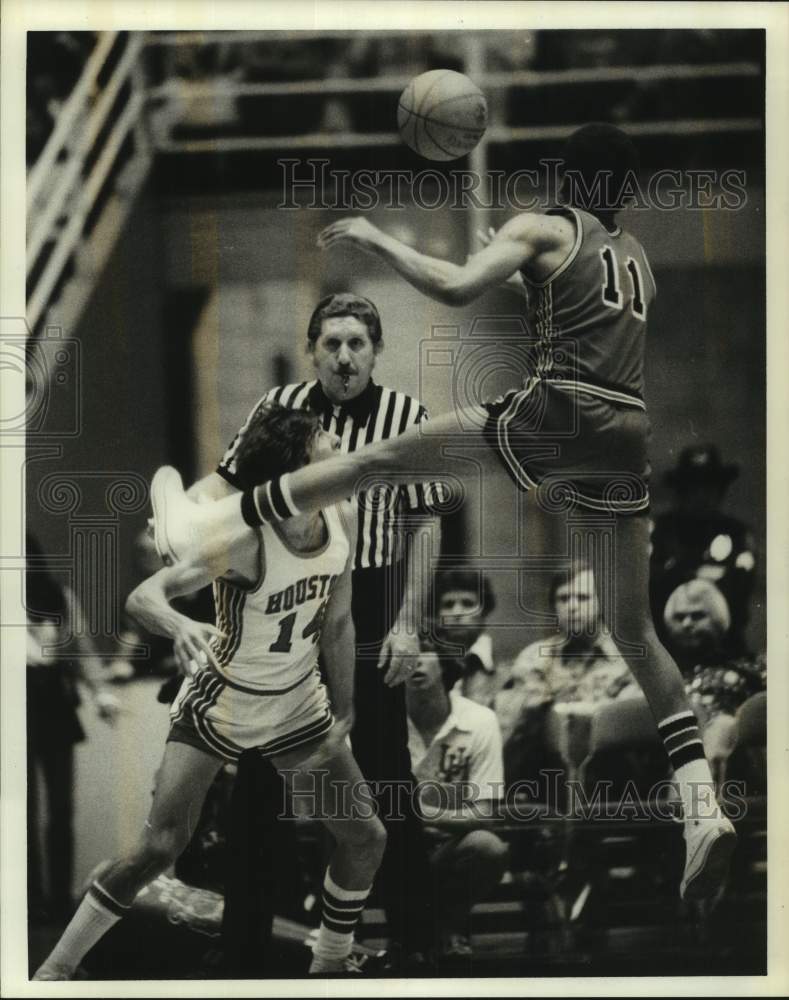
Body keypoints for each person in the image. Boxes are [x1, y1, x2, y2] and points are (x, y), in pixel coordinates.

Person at [149, 123, 736, 901]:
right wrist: (526, 270)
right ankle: (701, 808)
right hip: (625, 432)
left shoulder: (543, 223)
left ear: (564, 175)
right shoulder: (636, 262)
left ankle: (211, 523)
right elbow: (573, 306)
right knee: (634, 629)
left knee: (376, 459)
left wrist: (373, 236)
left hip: (559, 412)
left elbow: (457, 286)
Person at [34, 404, 387, 980]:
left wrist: (345, 709)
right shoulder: (246, 541)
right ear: (299, 463)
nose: (336, 439)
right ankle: (56, 967)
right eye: (323, 435)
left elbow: (339, 624)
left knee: (366, 836)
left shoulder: (341, 514)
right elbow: (143, 598)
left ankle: (328, 966)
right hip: (221, 701)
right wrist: (180, 624)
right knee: (160, 847)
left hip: (297, 703)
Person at [189, 292, 441, 970]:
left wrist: (409, 624)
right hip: (284, 602)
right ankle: (248, 942)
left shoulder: (406, 417)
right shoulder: (276, 410)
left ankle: (417, 940)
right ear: (311, 349)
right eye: (331, 343)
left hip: (372, 597)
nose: (343, 356)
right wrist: (176, 518)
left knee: (383, 774)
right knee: (259, 781)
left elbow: (425, 523)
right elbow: (224, 487)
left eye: (357, 343)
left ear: (376, 350)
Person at [26, 533, 120, 924]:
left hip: (53, 704)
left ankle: (61, 900)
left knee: (62, 809)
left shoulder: (57, 598)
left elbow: (82, 649)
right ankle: (30, 901)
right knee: (21, 811)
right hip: (14, 705)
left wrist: (101, 693)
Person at [497, 559, 638, 796]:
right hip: (545, 781)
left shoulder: (630, 660)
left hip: (617, 781)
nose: (572, 606)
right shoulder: (534, 657)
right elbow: (509, 727)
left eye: (583, 598)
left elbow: (632, 725)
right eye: (563, 599)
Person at [405, 645, 508, 962]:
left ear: (445, 662)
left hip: (450, 846)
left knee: (487, 847)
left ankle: (446, 926)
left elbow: (484, 814)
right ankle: (416, 938)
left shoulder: (480, 720)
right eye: (402, 653)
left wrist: (420, 815)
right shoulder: (373, 721)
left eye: (423, 651)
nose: (413, 660)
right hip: (393, 851)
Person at [650, 444, 757, 655]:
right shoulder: (658, 532)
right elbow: (650, 586)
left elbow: (737, 589)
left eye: (709, 488)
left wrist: (680, 575)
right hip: (667, 651)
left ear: (720, 491)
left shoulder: (736, 534)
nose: (701, 497)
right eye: (693, 489)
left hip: (724, 648)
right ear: (681, 492)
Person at [663, 579, 766, 785]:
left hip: (737, 765)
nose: (687, 623)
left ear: (719, 619)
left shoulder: (751, 671)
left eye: (698, 615)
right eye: (680, 617)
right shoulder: (663, 676)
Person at [431, 565, 502, 707]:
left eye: (468, 603)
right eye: (448, 604)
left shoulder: (503, 665)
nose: (457, 612)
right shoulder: (428, 662)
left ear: (484, 611)